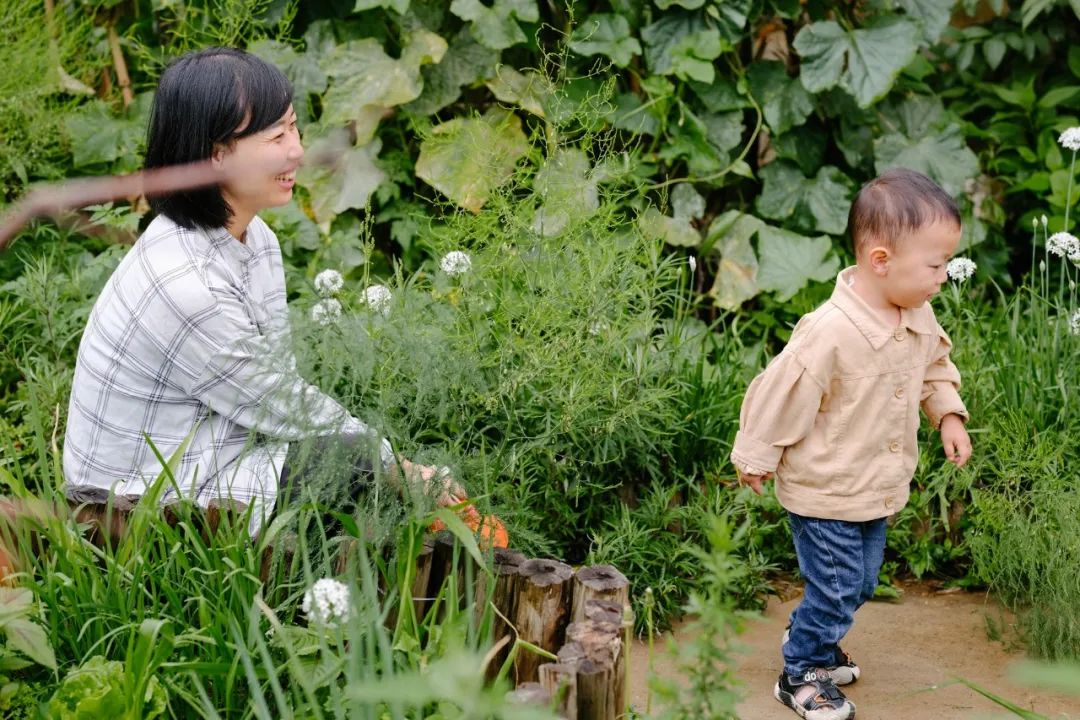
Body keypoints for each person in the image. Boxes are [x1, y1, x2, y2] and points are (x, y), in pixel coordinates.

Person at [62, 47, 464, 542]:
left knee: (351, 460)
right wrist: (399, 468)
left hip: (210, 455)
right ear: (216, 155)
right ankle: (305, 583)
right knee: (351, 464)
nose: (297, 151)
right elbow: (283, 404)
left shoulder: (256, 239)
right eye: (276, 137)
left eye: (294, 128)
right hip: (135, 514)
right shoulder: (186, 287)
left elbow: (275, 383)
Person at [730, 168, 973, 720]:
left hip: (872, 487)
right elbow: (782, 394)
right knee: (837, 588)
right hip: (824, 489)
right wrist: (756, 455)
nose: (943, 277)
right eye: (935, 265)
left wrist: (947, 416)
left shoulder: (916, 313)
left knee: (858, 583)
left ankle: (813, 633)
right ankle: (800, 671)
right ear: (881, 260)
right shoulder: (829, 331)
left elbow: (934, 367)